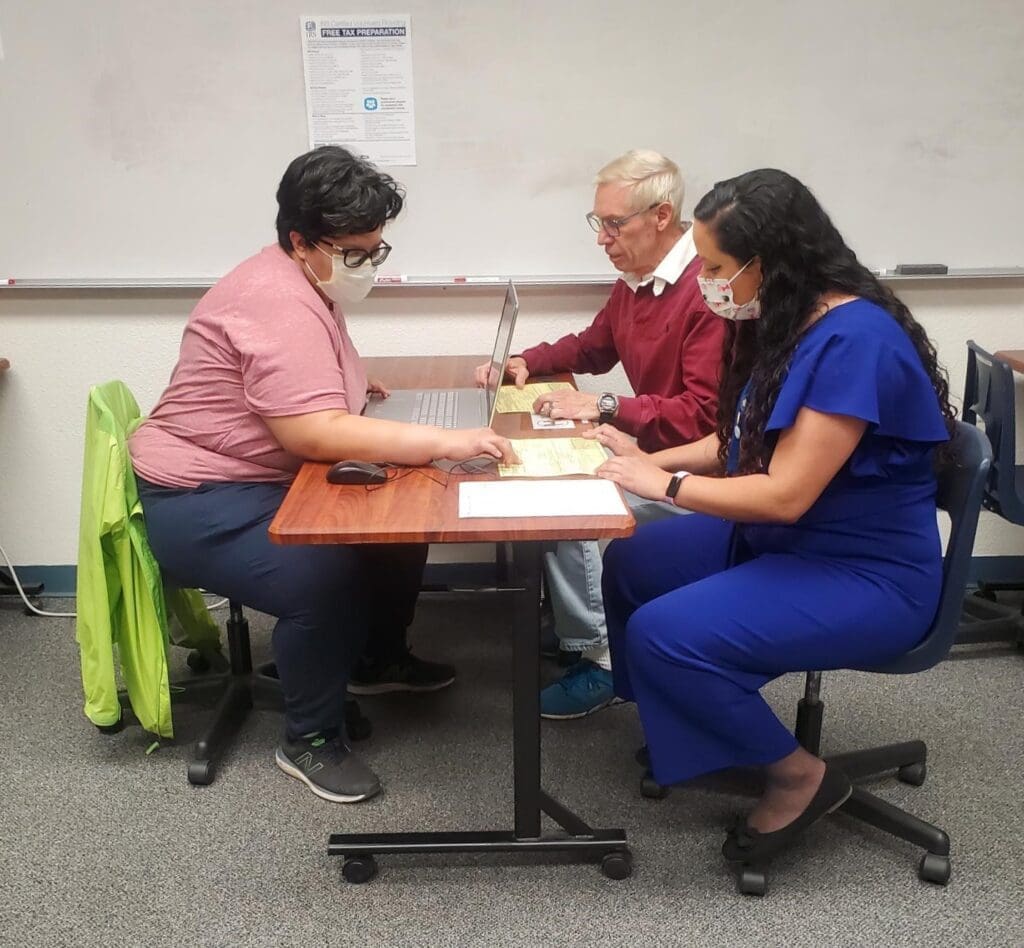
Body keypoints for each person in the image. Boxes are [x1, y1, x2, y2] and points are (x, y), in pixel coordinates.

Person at [129, 146, 514, 804]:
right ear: (301, 240)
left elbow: (309, 385)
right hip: (197, 497)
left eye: (376, 250)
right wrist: (442, 440)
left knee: (398, 525)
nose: (365, 265)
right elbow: (311, 431)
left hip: (258, 477)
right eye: (355, 253)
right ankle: (308, 738)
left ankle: (375, 661)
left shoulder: (304, 280)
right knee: (325, 574)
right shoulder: (272, 298)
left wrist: (353, 386)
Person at [592, 168, 955, 864]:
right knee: (633, 561)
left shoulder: (855, 341)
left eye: (719, 267)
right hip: (793, 539)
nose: (707, 281)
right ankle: (698, 719)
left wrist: (663, 481)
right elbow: (741, 443)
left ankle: (800, 777)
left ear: (772, 262)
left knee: (665, 634)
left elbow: (784, 491)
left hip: (863, 572)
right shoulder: (789, 318)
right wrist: (645, 452)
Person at [476, 150, 728, 719]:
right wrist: (525, 359)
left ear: (662, 216)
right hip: (656, 452)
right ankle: (578, 628)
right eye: (599, 223)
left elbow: (701, 415)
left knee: (566, 510)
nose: (602, 239)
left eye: (614, 224)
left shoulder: (707, 290)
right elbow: (594, 345)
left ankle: (601, 657)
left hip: (700, 470)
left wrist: (607, 406)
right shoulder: (640, 280)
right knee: (550, 485)